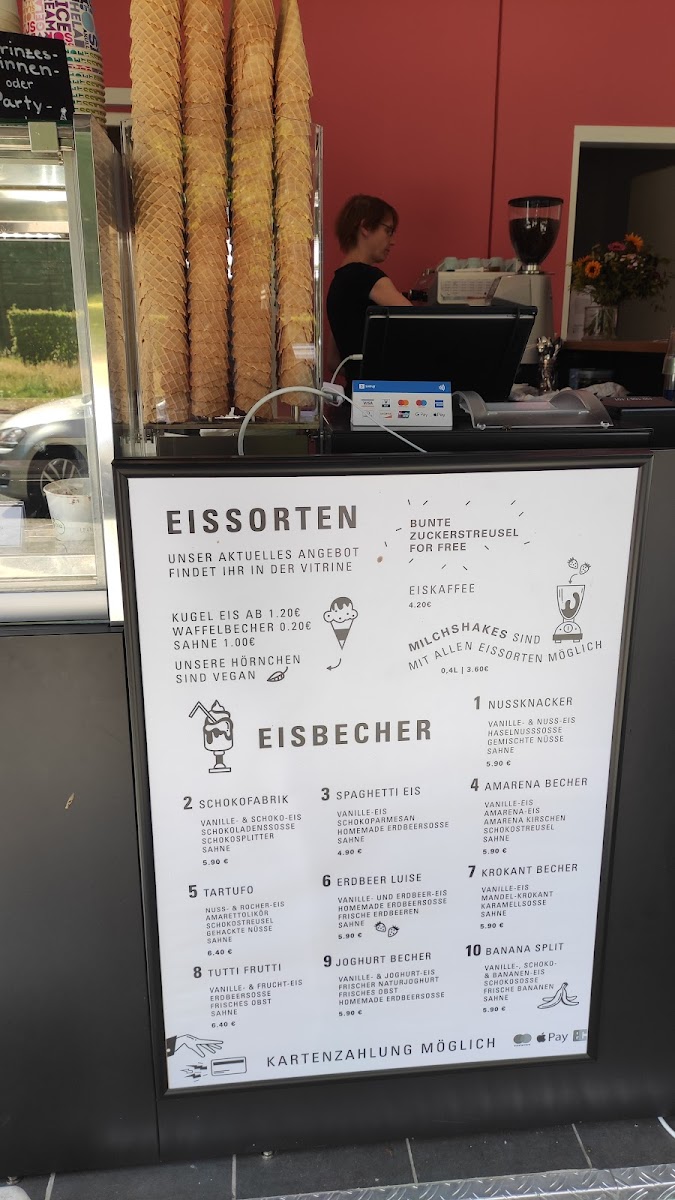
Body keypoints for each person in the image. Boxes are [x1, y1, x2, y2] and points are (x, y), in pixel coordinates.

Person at [326, 194, 411, 391]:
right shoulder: (368, 277)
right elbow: (420, 325)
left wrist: (360, 374)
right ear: (365, 227)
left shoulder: (338, 283)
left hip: (354, 396)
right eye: (388, 231)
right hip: (384, 399)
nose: (392, 241)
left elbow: (333, 361)